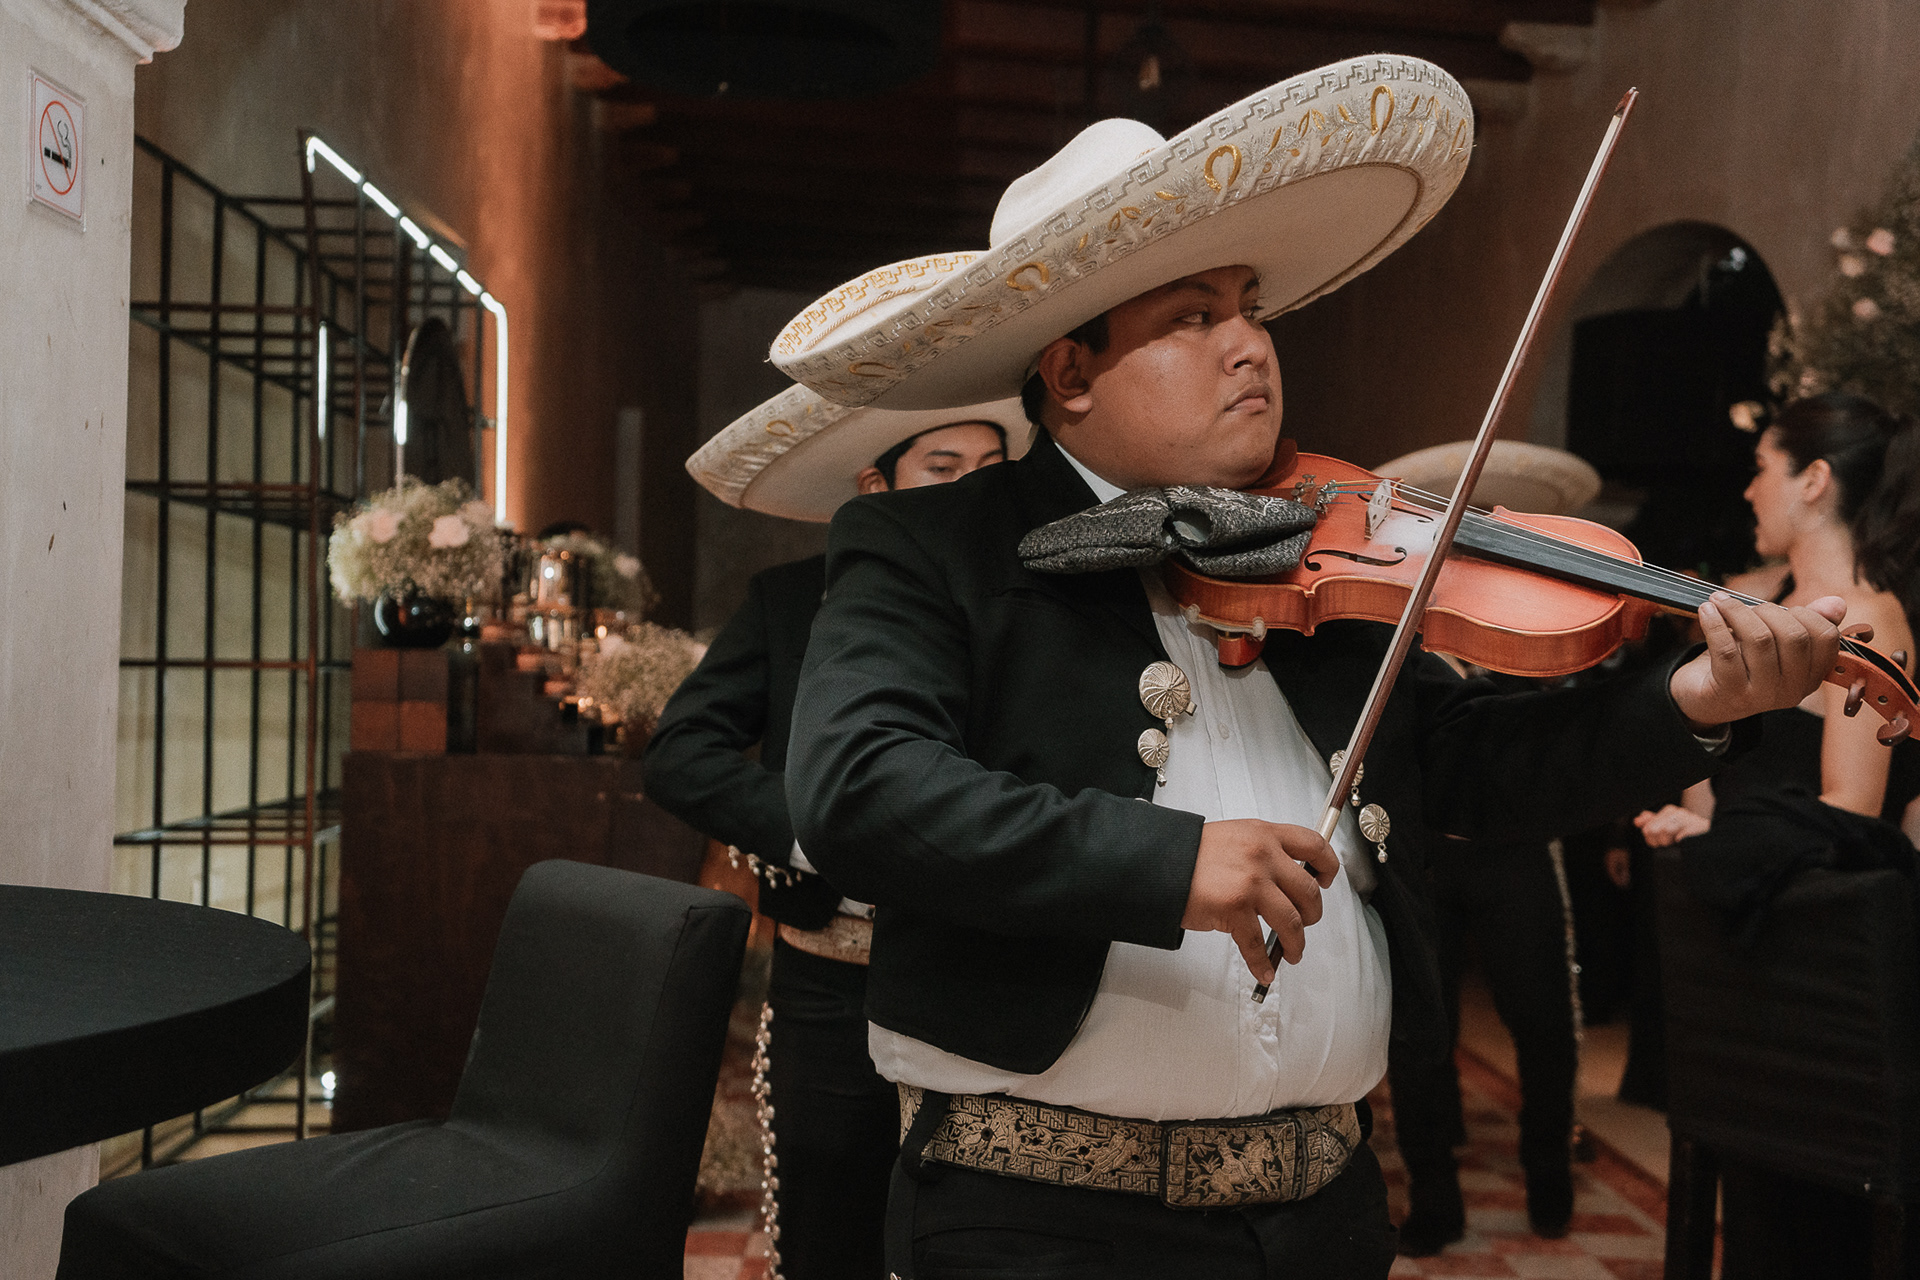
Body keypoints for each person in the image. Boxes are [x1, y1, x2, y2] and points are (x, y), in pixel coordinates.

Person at [775, 57, 1845, 1279]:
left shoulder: (1310, 540)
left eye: (1250, 306)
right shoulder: (932, 542)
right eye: (1194, 317)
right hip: (1044, 1225)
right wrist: (1169, 859)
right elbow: (860, 785)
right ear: (1069, 373)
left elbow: (1466, 767)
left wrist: (1695, 698)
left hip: (1323, 1216)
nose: (1250, 344)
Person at [644, 384, 1024, 1280]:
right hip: (827, 979)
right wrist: (813, 828)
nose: (972, 489)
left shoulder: (1027, 608)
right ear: (876, 487)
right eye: (943, 468)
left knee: (971, 1235)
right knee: (827, 1229)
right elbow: (681, 753)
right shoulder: (789, 601)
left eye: (991, 469)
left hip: (983, 975)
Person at [1369, 442, 1606, 1252]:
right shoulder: (1395, 608)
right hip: (1423, 848)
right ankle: (1434, 1195)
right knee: (1422, 1030)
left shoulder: (1537, 609)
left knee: (1542, 1018)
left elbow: (1563, 728)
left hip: (1514, 847)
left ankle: (1549, 1168)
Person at [1636, 391, 1920, 849]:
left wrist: (1722, 837)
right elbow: (1709, 782)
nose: (1749, 492)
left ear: (1813, 480)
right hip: (1730, 874)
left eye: (1762, 467)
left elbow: (1851, 809)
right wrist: (1690, 826)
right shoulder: (1752, 595)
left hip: (1806, 883)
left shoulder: (1868, 616)